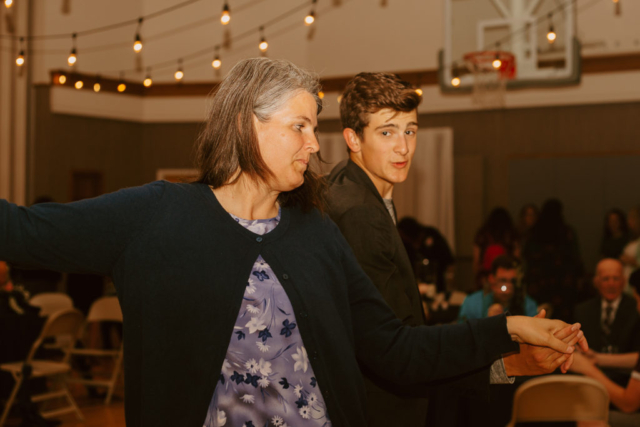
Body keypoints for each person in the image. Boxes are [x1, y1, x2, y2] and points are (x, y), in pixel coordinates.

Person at [1, 59, 586, 427]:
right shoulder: (155, 216)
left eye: (315, 127)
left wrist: (507, 331)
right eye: (299, 126)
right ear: (245, 125)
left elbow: (396, 350)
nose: (314, 144)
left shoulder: (315, 231)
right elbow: (23, 231)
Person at [326, 72, 584, 427]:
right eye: (387, 132)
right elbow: (396, 353)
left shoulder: (351, 188)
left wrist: (511, 363)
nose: (403, 147)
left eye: (410, 130)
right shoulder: (359, 213)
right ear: (353, 138)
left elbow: (389, 349)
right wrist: (509, 327)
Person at [570, 269, 640, 426]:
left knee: (587, 418)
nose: (638, 307)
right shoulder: (583, 309)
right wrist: (598, 358)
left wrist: (587, 368)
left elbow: (628, 404)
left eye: (638, 301)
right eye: (606, 279)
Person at [523, 198, 584, 320]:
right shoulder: (566, 232)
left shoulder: (535, 232)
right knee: (561, 318)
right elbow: (575, 257)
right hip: (562, 283)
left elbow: (527, 256)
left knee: (541, 315)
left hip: (541, 282)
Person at [458, 255, 538, 322]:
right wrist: (487, 322)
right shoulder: (472, 303)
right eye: (502, 280)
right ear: (491, 279)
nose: (507, 290)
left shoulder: (528, 305)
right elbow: (462, 332)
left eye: (512, 282)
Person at [472, 207, 520, 291]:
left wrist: (477, 277)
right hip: (507, 274)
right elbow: (517, 257)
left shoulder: (482, 235)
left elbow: (476, 260)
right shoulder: (511, 235)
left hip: (486, 275)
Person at [621, 206, 640, 284]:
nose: (628, 221)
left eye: (632, 218)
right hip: (627, 280)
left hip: (636, 282)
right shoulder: (630, 237)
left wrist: (632, 262)